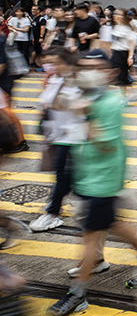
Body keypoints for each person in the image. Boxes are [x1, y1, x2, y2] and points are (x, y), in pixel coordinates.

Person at [47, 50, 137, 316]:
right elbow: (56, 106)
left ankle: (78, 294)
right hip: (86, 173)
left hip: (104, 178)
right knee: (111, 224)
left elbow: (105, 145)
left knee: (92, 234)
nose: (87, 72)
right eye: (83, 67)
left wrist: (85, 115)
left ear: (110, 73)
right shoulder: (85, 95)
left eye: (95, 67)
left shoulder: (111, 103)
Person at [29, 49, 84, 232]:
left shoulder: (78, 82)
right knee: (66, 177)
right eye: (49, 63)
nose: (52, 67)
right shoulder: (56, 80)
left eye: (56, 63)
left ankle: (52, 213)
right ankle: (60, 205)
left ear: (68, 63)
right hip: (59, 137)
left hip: (74, 138)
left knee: (64, 177)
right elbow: (44, 102)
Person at [109, 9, 137, 95]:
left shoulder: (128, 28)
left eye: (119, 14)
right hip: (116, 52)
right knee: (116, 73)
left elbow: (132, 43)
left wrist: (130, 56)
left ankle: (124, 96)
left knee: (121, 75)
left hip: (124, 53)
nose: (116, 16)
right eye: (115, 14)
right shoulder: (116, 26)